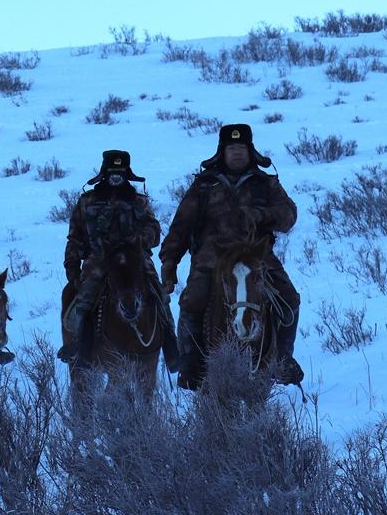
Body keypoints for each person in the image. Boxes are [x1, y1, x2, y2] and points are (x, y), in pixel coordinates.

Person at [159, 124, 302, 387]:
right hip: (212, 261)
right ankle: (191, 365)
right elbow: (180, 228)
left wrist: (263, 215)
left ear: (250, 151)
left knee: (289, 298)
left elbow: (289, 215)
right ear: (222, 152)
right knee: (191, 302)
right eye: (232, 148)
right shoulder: (204, 185)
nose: (237, 152)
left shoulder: (265, 183)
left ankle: (283, 359)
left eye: (242, 148)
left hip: (257, 258)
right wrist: (170, 263)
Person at [60, 150, 178, 365]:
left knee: (159, 293)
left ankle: (170, 343)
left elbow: (154, 230)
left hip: (135, 257)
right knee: (86, 295)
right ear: (104, 173)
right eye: (112, 172)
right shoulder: (87, 201)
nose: (116, 177)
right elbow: (75, 237)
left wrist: (138, 240)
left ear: (127, 173)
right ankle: (80, 345)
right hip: (99, 258)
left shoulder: (139, 202)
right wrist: (72, 267)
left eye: (120, 172)